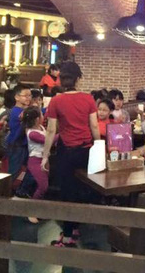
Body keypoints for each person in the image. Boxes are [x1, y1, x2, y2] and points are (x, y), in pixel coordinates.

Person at [41, 61, 100, 248]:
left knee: (67, 192)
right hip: (85, 151)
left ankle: (67, 236)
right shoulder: (88, 99)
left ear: (61, 79)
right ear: (78, 79)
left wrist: (45, 156)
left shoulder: (56, 101)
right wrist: (99, 146)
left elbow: (51, 131)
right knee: (82, 189)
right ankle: (75, 228)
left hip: (66, 152)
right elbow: (94, 126)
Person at [22, 106, 53, 223]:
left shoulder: (40, 127)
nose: (43, 116)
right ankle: (31, 212)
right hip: (35, 161)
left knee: (43, 188)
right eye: (41, 114)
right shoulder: (32, 133)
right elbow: (49, 140)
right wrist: (64, 134)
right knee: (43, 186)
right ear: (36, 119)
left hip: (45, 159)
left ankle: (38, 210)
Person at [5, 85, 35, 197]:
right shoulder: (16, 111)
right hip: (17, 145)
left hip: (24, 145)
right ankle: (5, 194)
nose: (28, 98)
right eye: (25, 95)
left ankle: (20, 191)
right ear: (17, 97)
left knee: (31, 170)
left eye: (30, 95)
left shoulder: (24, 111)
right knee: (13, 171)